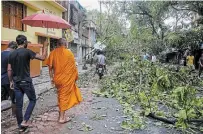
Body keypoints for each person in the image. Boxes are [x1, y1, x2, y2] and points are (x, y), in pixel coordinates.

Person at [8, 35, 48, 131]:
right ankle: (25, 120)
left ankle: (21, 126)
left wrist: (11, 81)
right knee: (33, 99)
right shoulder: (27, 52)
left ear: (17, 42)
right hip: (26, 81)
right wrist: (45, 46)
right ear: (25, 42)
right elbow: (43, 58)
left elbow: (9, 69)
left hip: (16, 82)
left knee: (19, 104)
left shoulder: (11, 54)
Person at [46, 38, 82, 123]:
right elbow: (74, 68)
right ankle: (61, 118)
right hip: (66, 80)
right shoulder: (69, 53)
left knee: (60, 95)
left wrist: (51, 79)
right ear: (65, 45)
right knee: (63, 97)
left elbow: (50, 68)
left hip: (57, 79)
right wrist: (75, 77)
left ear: (57, 44)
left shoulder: (52, 53)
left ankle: (61, 114)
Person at [1, 41, 18, 116]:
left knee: (2, 98)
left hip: (1, 79)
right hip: (8, 79)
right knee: (13, 98)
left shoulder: (1, 53)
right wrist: (12, 80)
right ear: (14, 48)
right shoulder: (12, 55)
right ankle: (14, 115)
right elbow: (11, 69)